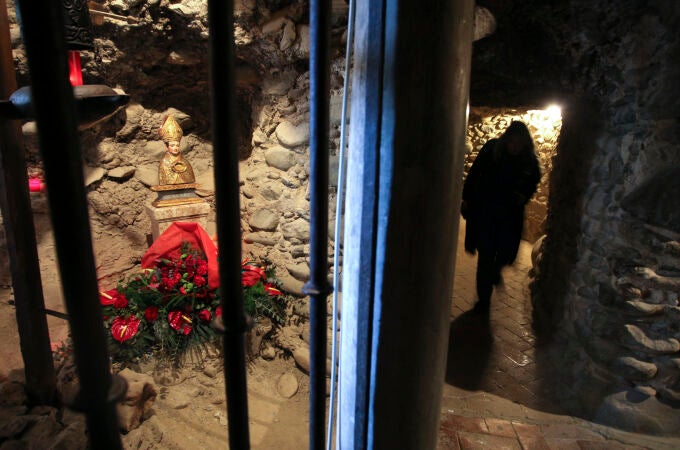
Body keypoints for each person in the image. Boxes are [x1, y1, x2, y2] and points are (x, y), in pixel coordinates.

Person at [461, 121, 541, 314]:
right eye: (511, 142)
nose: (514, 147)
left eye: (518, 143)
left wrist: (524, 195)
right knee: (486, 254)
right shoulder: (492, 149)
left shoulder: (528, 160)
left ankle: (495, 272)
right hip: (486, 212)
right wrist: (466, 198)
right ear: (506, 140)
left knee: (506, 253)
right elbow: (475, 173)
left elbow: (534, 177)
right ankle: (484, 298)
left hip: (508, 216)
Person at [158, 115, 196, 185]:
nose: (175, 148)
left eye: (177, 145)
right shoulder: (164, 163)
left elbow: (190, 179)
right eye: (172, 145)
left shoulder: (185, 162)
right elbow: (164, 181)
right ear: (167, 147)